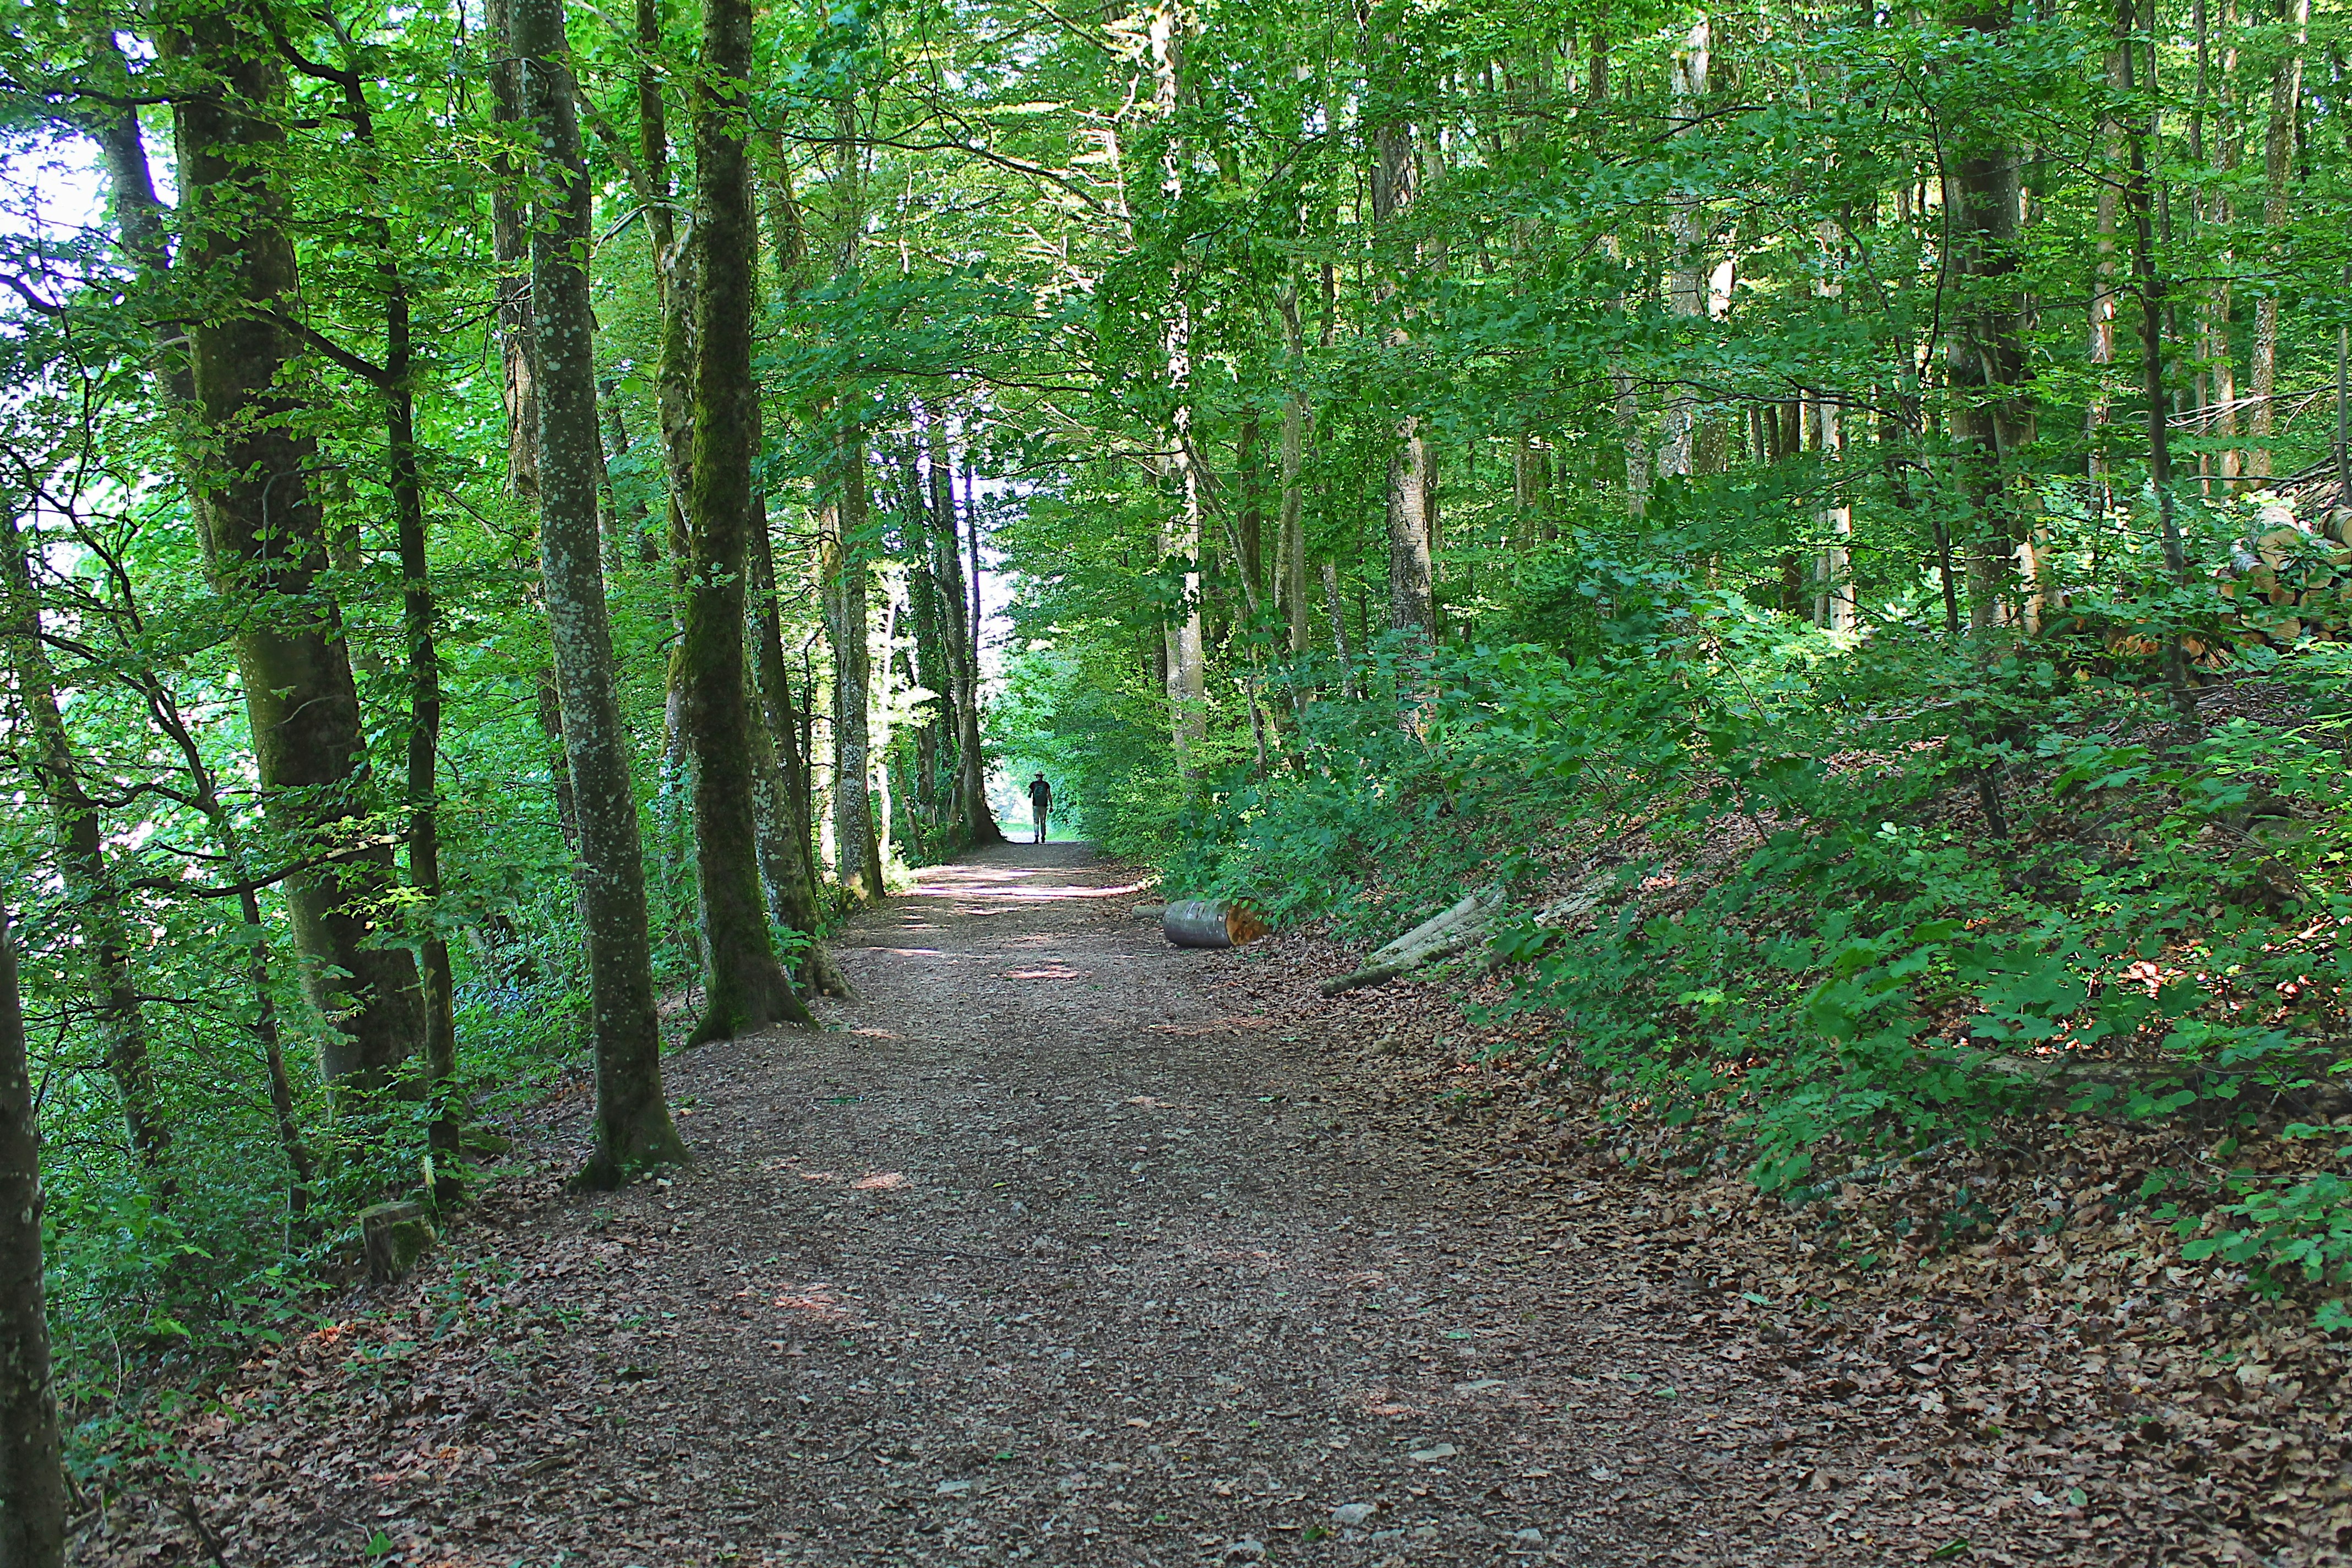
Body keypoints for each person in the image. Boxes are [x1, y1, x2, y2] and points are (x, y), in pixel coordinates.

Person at [1027, 772, 1052, 844]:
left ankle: (1036, 837)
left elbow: (1029, 795)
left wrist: (1031, 794)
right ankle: (1043, 836)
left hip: (1036, 805)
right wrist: (1051, 805)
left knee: (1036, 822)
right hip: (1044, 805)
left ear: (1036, 777)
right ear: (1042, 777)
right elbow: (1049, 795)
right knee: (1043, 822)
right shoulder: (1046, 784)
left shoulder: (1033, 784)